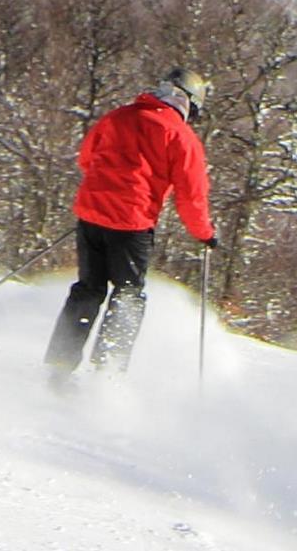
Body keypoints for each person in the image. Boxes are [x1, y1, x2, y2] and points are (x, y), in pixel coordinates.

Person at [45, 68, 216, 385]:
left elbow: (87, 158)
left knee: (88, 288)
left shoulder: (117, 117)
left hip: (92, 215)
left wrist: (105, 190)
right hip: (131, 223)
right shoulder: (180, 136)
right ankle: (107, 372)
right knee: (128, 295)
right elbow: (191, 196)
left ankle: (59, 364)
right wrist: (205, 234)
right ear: (187, 102)